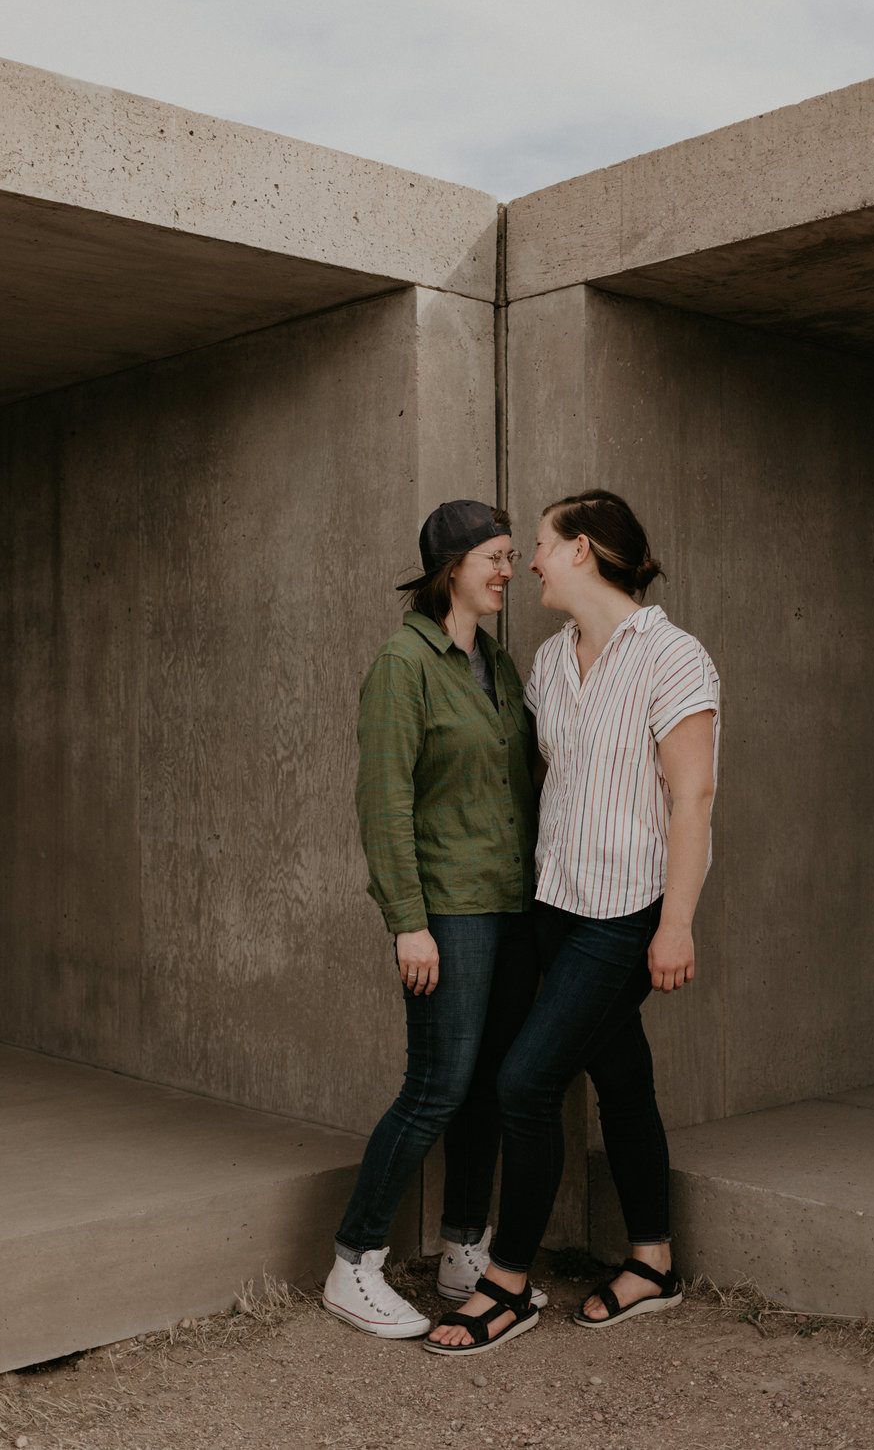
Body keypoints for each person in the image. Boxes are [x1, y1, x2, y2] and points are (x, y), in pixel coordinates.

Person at [426, 488, 719, 1355]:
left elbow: (693, 799)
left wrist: (677, 924)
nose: (530, 564)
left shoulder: (673, 656)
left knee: (525, 1083)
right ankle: (653, 1263)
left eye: (543, 546)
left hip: (625, 918)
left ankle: (508, 1284)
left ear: (583, 550)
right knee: (621, 1076)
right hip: (554, 906)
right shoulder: (552, 662)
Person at [322, 499, 542, 1339]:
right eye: (493, 555)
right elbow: (384, 803)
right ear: (450, 566)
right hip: (447, 911)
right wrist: (408, 922)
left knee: (489, 1085)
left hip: (510, 905)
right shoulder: (401, 663)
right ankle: (354, 1262)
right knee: (437, 1086)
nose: (508, 570)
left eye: (515, 555)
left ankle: (463, 1251)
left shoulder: (497, 663)